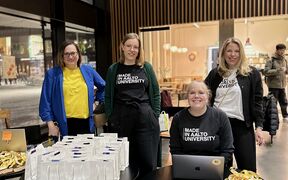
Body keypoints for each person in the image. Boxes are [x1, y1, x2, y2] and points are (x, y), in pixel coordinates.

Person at [205, 37, 265, 172]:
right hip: (218, 126)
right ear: (223, 53)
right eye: (229, 51)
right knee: (220, 169)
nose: (233, 54)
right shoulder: (215, 74)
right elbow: (205, 95)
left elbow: (257, 101)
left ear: (241, 53)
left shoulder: (251, 73)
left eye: (237, 51)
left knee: (247, 169)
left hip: (242, 127)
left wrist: (259, 127)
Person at [104, 33, 160, 178]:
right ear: (122, 47)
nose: (132, 50)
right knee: (126, 163)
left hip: (145, 119)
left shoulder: (146, 67)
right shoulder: (113, 69)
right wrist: (111, 115)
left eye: (136, 47)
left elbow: (155, 93)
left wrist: (155, 114)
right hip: (121, 121)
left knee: (148, 162)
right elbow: (108, 95)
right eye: (129, 46)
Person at [39, 41, 105, 137]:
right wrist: (50, 124)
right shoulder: (52, 74)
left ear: (78, 54)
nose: (70, 57)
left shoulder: (88, 70)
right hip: (64, 125)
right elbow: (45, 102)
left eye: (73, 53)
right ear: (62, 56)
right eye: (66, 54)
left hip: (86, 123)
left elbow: (104, 87)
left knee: (86, 151)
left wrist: (98, 101)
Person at [169, 81, 234, 177]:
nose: (196, 96)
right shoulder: (178, 118)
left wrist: (215, 166)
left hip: (215, 170)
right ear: (187, 96)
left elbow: (227, 149)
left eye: (201, 92)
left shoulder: (220, 116)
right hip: (186, 169)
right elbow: (175, 149)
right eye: (192, 93)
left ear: (207, 96)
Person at [263, 43, 288, 123]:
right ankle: (273, 118)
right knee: (273, 103)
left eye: (284, 50)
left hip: (282, 85)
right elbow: (266, 72)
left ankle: (285, 115)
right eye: (281, 50)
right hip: (273, 85)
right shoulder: (271, 60)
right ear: (277, 50)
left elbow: (285, 71)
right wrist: (277, 70)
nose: (283, 52)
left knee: (284, 101)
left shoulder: (284, 60)